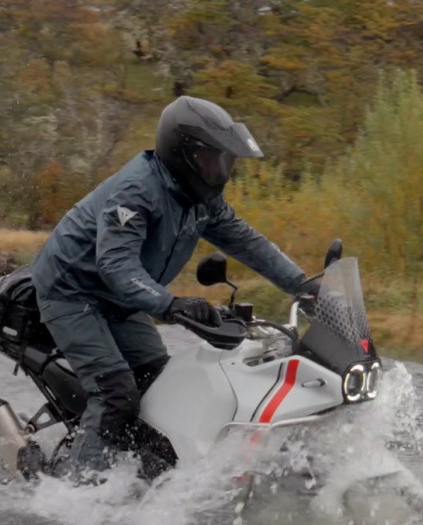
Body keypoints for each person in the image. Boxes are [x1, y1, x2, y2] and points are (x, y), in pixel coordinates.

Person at [28, 95, 317, 480]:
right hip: (72, 291)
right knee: (115, 392)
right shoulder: (137, 190)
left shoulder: (202, 199)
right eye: (212, 159)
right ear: (182, 153)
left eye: (224, 160)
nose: (220, 170)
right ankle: (77, 494)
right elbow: (115, 264)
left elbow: (249, 243)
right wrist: (172, 304)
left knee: (160, 385)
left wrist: (304, 286)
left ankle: (137, 477)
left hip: (119, 298)